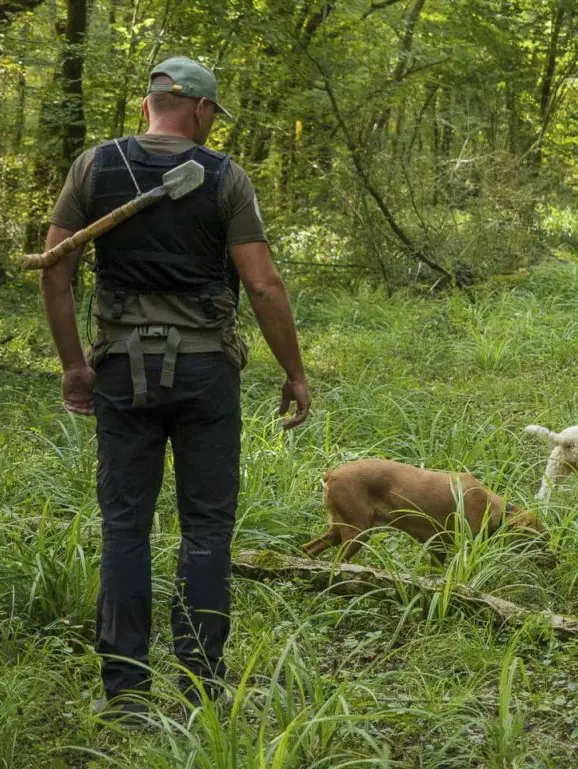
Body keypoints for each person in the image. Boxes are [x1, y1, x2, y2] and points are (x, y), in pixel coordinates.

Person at [40, 55, 310, 718]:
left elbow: (54, 270)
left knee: (125, 524)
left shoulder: (93, 166)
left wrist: (76, 363)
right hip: (204, 372)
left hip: (120, 370)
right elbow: (263, 283)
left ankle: (127, 694)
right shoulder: (225, 177)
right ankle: (201, 687)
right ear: (202, 111)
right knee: (208, 529)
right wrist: (294, 372)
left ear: (146, 107)